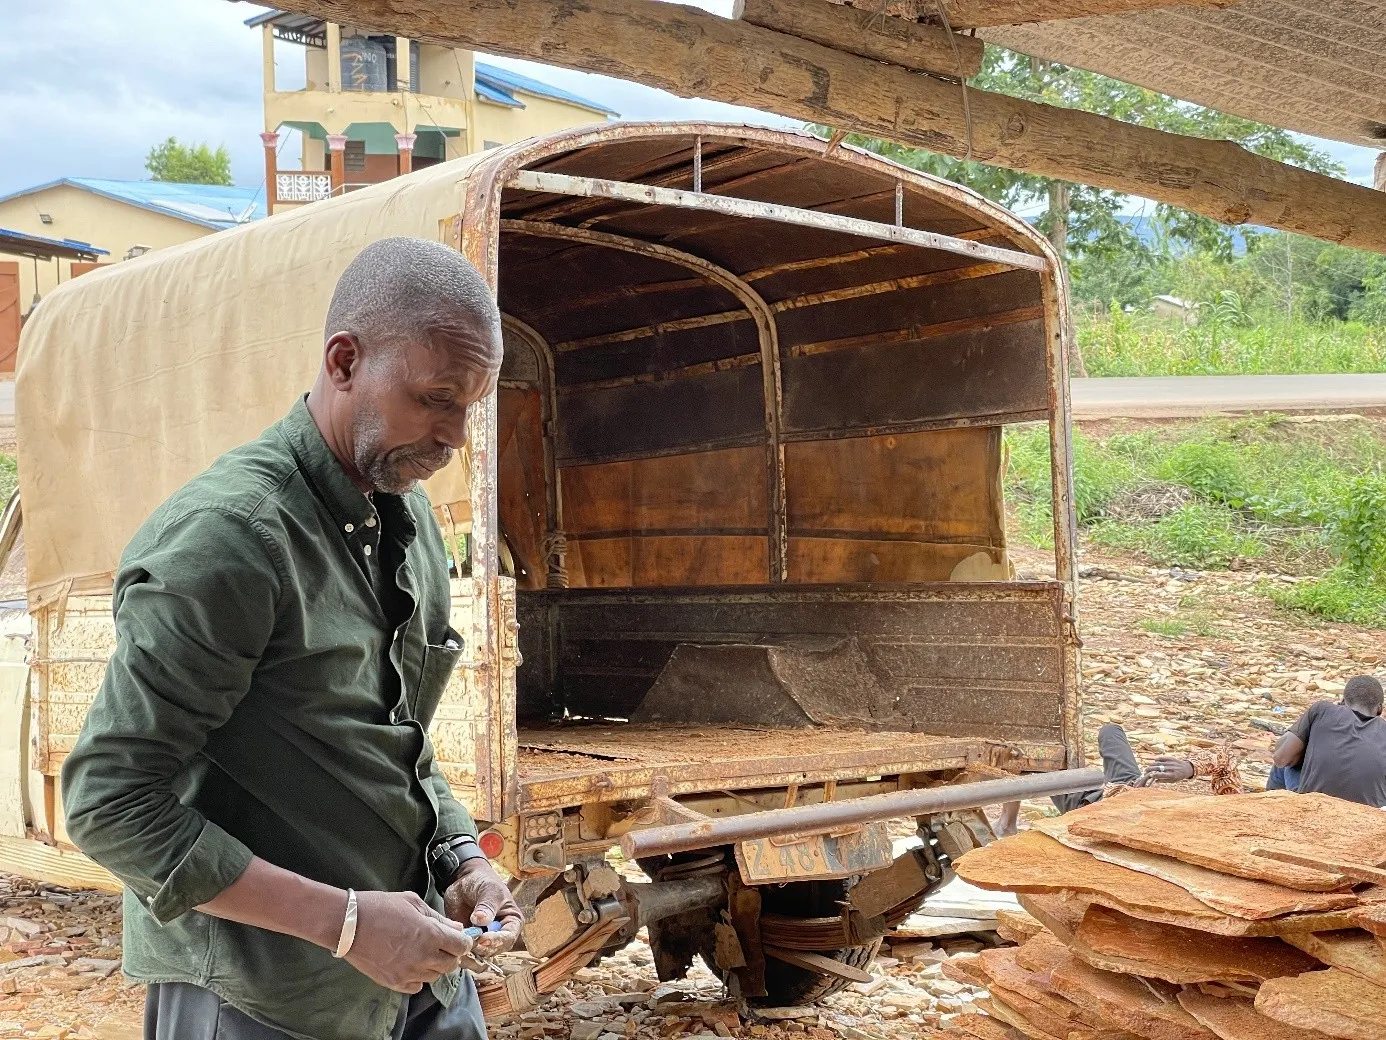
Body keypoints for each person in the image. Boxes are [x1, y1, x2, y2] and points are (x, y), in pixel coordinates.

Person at [60, 238, 518, 1040]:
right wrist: (347, 925)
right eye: (435, 398)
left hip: (419, 984)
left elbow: (397, 744)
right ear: (343, 362)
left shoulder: (406, 520)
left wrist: (462, 859)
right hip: (264, 999)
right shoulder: (230, 540)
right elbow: (111, 804)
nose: (455, 437)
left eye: (469, 406)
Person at [1271, 675, 1386, 806]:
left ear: (1343, 701)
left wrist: (1304, 749)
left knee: (1287, 756)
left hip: (1314, 807)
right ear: (1379, 709)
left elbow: (1280, 758)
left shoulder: (1322, 710)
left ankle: (1271, 809)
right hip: (1369, 813)